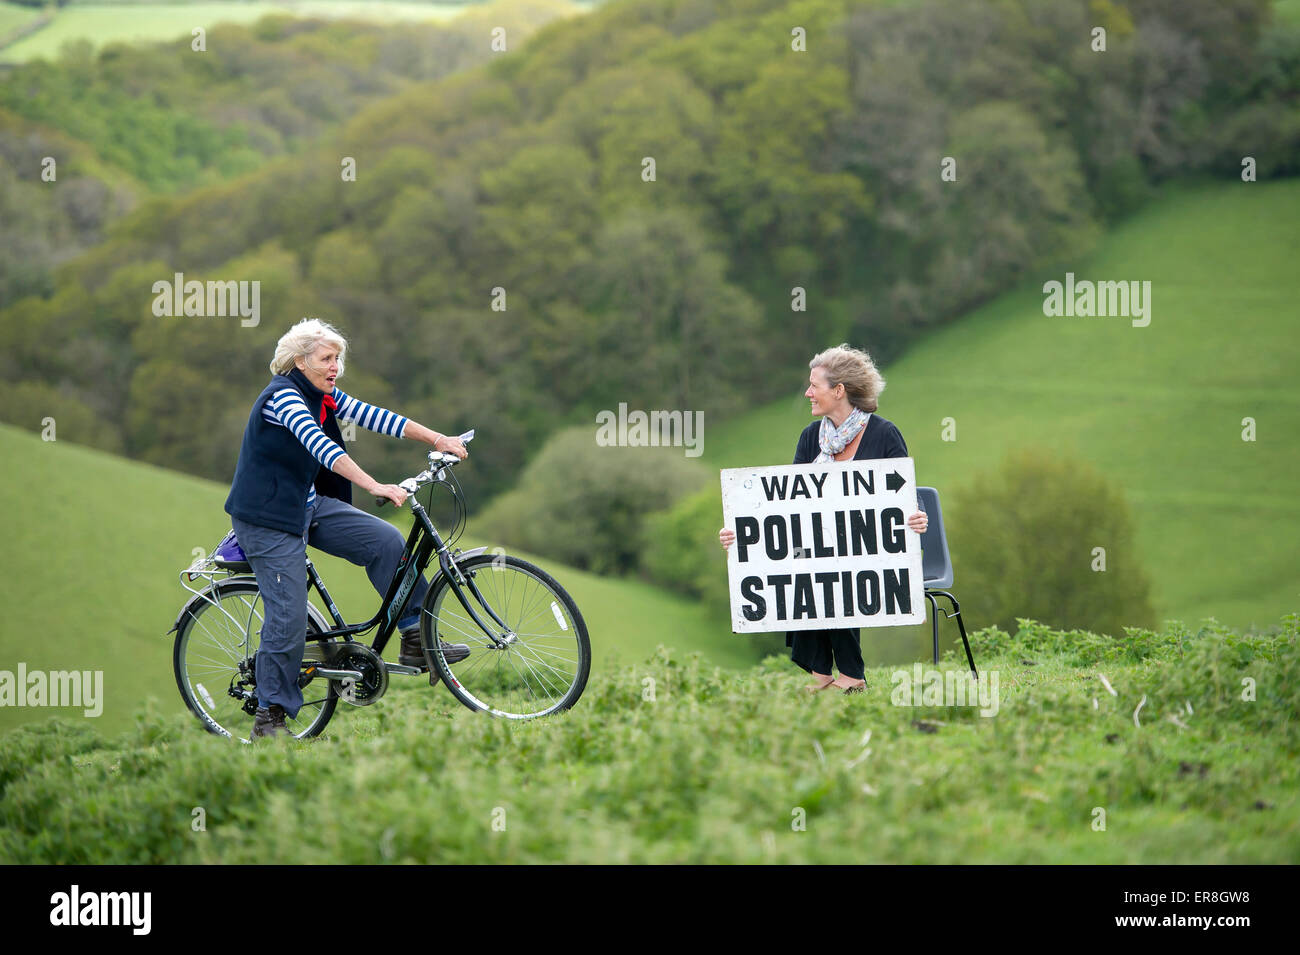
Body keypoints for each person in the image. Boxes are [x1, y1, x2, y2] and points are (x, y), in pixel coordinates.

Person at [225, 317, 469, 739]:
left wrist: (437, 439)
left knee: (386, 541)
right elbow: (323, 448)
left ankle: (415, 638)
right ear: (300, 361)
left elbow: (376, 417)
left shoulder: (325, 395)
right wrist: (375, 485)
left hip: (306, 504)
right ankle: (269, 718)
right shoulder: (282, 399)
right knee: (287, 615)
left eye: (338, 358)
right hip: (267, 519)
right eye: (326, 358)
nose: (335, 366)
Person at [719, 344, 928, 693]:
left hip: (870, 550)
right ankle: (827, 676)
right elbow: (788, 507)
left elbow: (905, 494)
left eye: (814, 385)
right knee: (808, 566)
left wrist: (916, 517)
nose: (808, 392)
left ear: (839, 390)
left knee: (838, 567)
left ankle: (847, 676)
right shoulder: (809, 438)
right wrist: (740, 532)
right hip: (817, 547)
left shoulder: (883, 434)